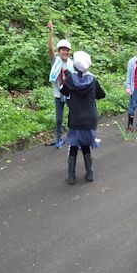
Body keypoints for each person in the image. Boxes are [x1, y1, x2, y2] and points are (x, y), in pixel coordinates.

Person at [60, 51, 105, 185]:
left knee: (73, 145)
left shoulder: (70, 79)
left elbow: (63, 91)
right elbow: (101, 95)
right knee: (85, 145)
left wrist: (66, 77)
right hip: (90, 119)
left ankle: (71, 176)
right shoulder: (92, 80)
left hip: (75, 119)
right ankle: (89, 173)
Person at [47, 20, 74, 148]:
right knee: (58, 119)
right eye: (62, 50)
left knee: (73, 116)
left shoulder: (72, 64)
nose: (65, 52)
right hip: (58, 95)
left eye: (67, 50)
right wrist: (51, 32)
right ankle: (58, 138)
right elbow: (49, 49)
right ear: (59, 51)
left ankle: (72, 136)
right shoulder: (55, 62)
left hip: (70, 95)